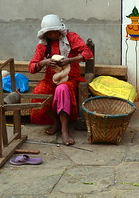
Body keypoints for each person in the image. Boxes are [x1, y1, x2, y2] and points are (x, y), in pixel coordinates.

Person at [29, 14, 94, 145]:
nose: (53, 35)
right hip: (50, 79)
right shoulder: (43, 45)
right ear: (45, 34)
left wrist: (70, 60)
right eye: (49, 32)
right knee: (38, 92)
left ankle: (64, 130)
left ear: (60, 30)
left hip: (71, 78)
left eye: (55, 31)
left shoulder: (71, 38)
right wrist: (44, 62)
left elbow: (87, 53)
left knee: (62, 89)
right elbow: (31, 67)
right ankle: (56, 121)